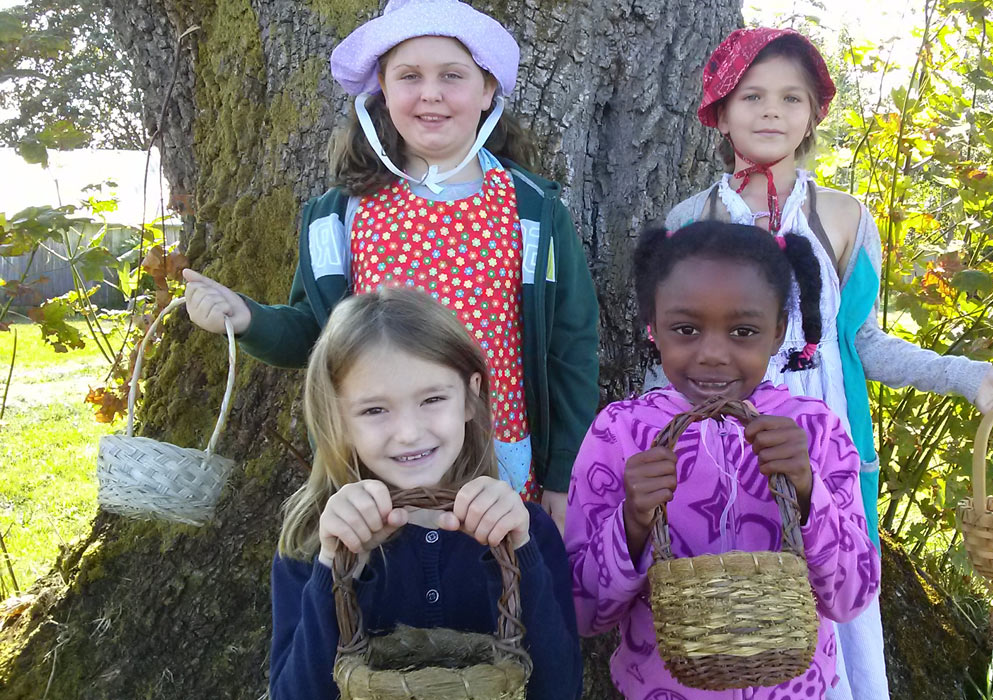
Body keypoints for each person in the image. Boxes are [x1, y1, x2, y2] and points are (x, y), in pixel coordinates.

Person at [661, 27, 993, 699]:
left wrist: (967, 376)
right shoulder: (688, 221)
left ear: (814, 112)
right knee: (732, 616)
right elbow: (674, 350)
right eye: (752, 96)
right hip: (720, 450)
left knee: (829, 604)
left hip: (827, 453)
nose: (771, 111)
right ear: (719, 110)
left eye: (791, 97)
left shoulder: (845, 218)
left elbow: (863, 341)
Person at [182, 0, 599, 530]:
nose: (431, 93)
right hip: (378, 466)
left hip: (502, 465)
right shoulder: (341, 214)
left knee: (499, 593)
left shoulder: (532, 211)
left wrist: (566, 473)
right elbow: (317, 334)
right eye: (410, 76)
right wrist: (248, 320)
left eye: (453, 75)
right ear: (382, 86)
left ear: (488, 89)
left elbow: (571, 348)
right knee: (388, 595)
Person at [566, 220, 880, 699]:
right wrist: (630, 522)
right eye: (686, 329)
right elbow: (583, 613)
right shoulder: (621, 434)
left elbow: (852, 596)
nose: (712, 354)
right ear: (654, 324)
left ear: (777, 333)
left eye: (743, 331)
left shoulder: (814, 432)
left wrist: (808, 490)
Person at [268, 288, 581, 700]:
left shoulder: (526, 528)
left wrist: (520, 552)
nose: (410, 433)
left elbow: (561, 690)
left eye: (432, 399)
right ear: (338, 417)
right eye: (374, 410)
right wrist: (336, 567)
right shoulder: (312, 541)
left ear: (470, 396)